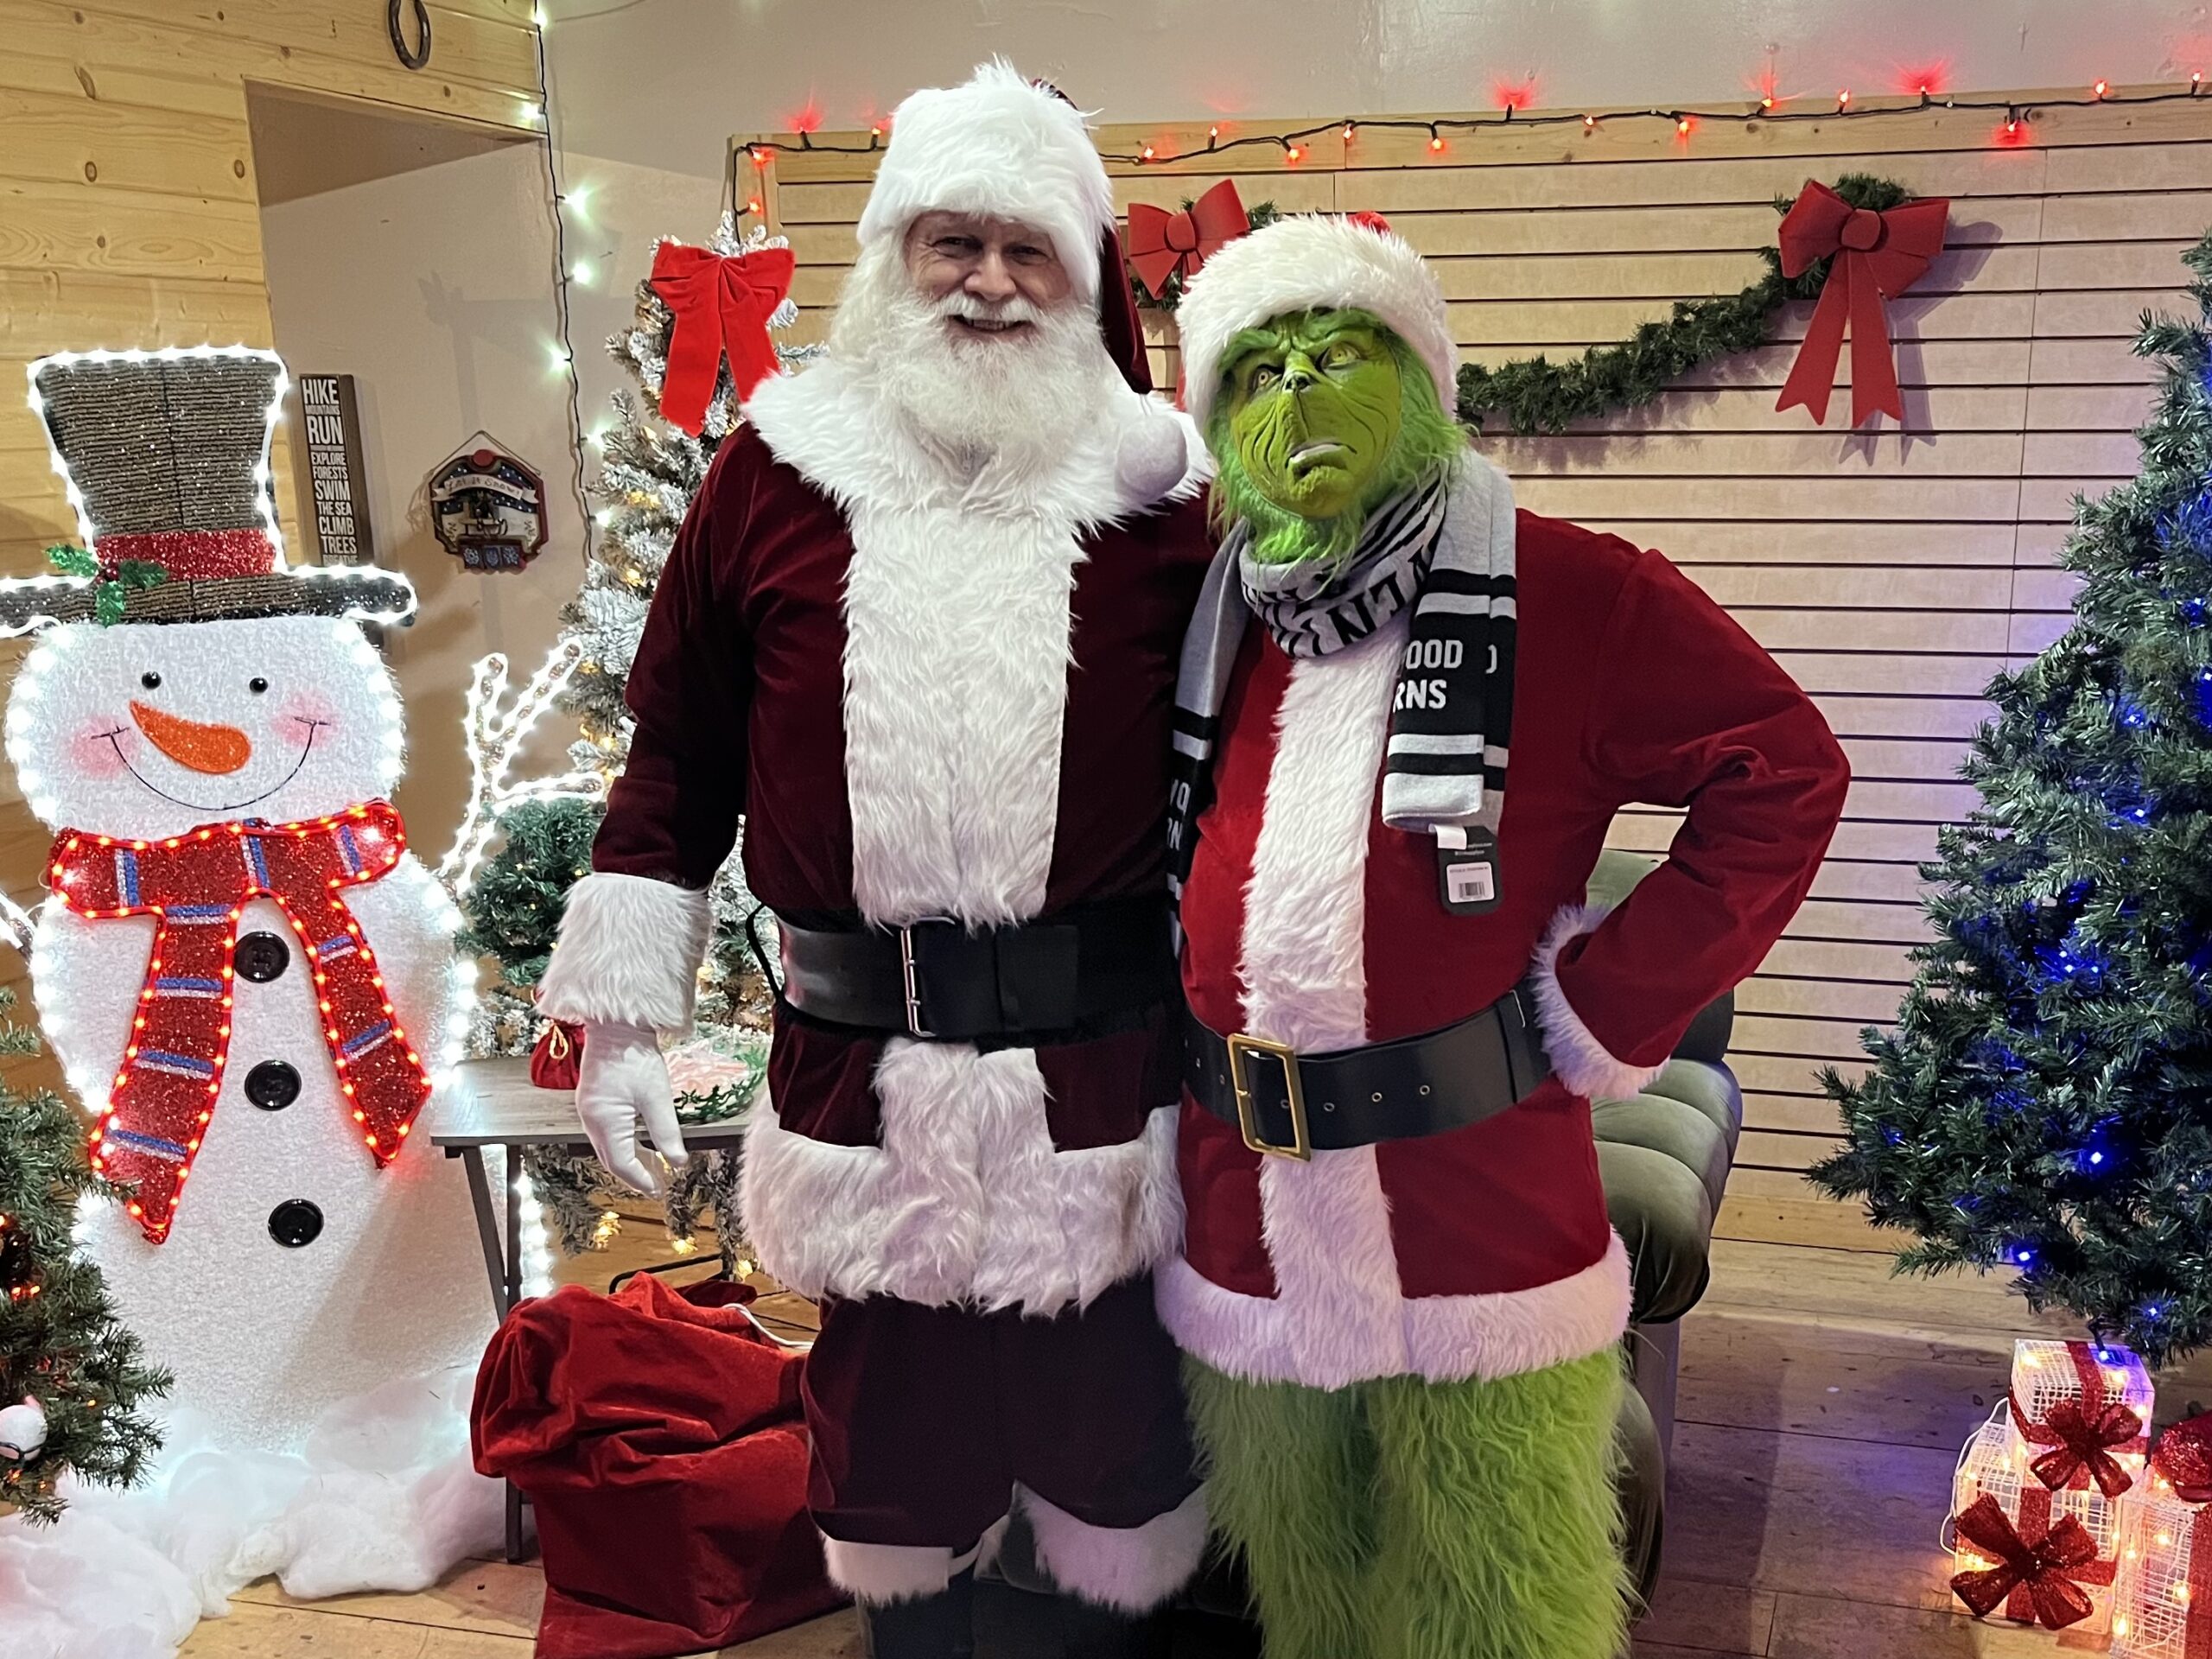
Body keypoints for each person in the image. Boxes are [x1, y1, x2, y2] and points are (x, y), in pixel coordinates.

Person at [535, 62, 1212, 1659]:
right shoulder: (778, 471)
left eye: (1026, 250)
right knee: (891, 1472)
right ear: (892, 258)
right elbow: (677, 754)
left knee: (1115, 1454)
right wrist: (621, 1025)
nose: (987, 282)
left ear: (1084, 275)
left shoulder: (1163, 485)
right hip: (855, 1068)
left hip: (1103, 1075)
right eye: (950, 243)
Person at [1155, 212, 1851, 1658]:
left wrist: (1613, 996)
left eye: (1341, 352)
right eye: (1259, 367)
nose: (1299, 390)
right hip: (1246, 1224)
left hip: (1479, 1218)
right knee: (1309, 1596)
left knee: (1502, 1605)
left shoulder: (1574, 595)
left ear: (1423, 381)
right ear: (1215, 419)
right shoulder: (1214, 619)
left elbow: (1786, 769)